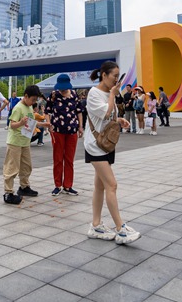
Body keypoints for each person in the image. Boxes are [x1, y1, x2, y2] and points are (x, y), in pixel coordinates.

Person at [85, 61, 140, 244]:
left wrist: (120, 120)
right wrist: (113, 96)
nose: (117, 80)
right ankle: (120, 228)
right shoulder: (94, 93)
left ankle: (96, 224)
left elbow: (109, 116)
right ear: (104, 75)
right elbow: (105, 112)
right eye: (115, 76)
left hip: (105, 144)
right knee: (112, 185)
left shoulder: (109, 93)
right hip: (95, 145)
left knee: (100, 186)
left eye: (119, 76)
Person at [3, 85, 49, 204]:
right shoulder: (18, 108)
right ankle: (8, 193)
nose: (34, 102)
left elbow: (31, 123)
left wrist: (44, 125)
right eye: (33, 100)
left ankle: (24, 187)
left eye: (35, 100)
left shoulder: (29, 107)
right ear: (26, 96)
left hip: (25, 141)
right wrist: (20, 123)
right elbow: (11, 125)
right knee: (12, 167)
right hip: (15, 142)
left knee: (26, 166)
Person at [45, 74, 84, 196]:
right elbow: (47, 111)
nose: (62, 90)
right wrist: (48, 123)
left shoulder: (74, 95)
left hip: (72, 131)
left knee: (69, 159)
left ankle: (68, 185)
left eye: (64, 88)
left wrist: (80, 127)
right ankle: (58, 185)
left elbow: (79, 111)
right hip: (57, 131)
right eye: (60, 88)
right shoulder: (53, 95)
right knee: (57, 158)